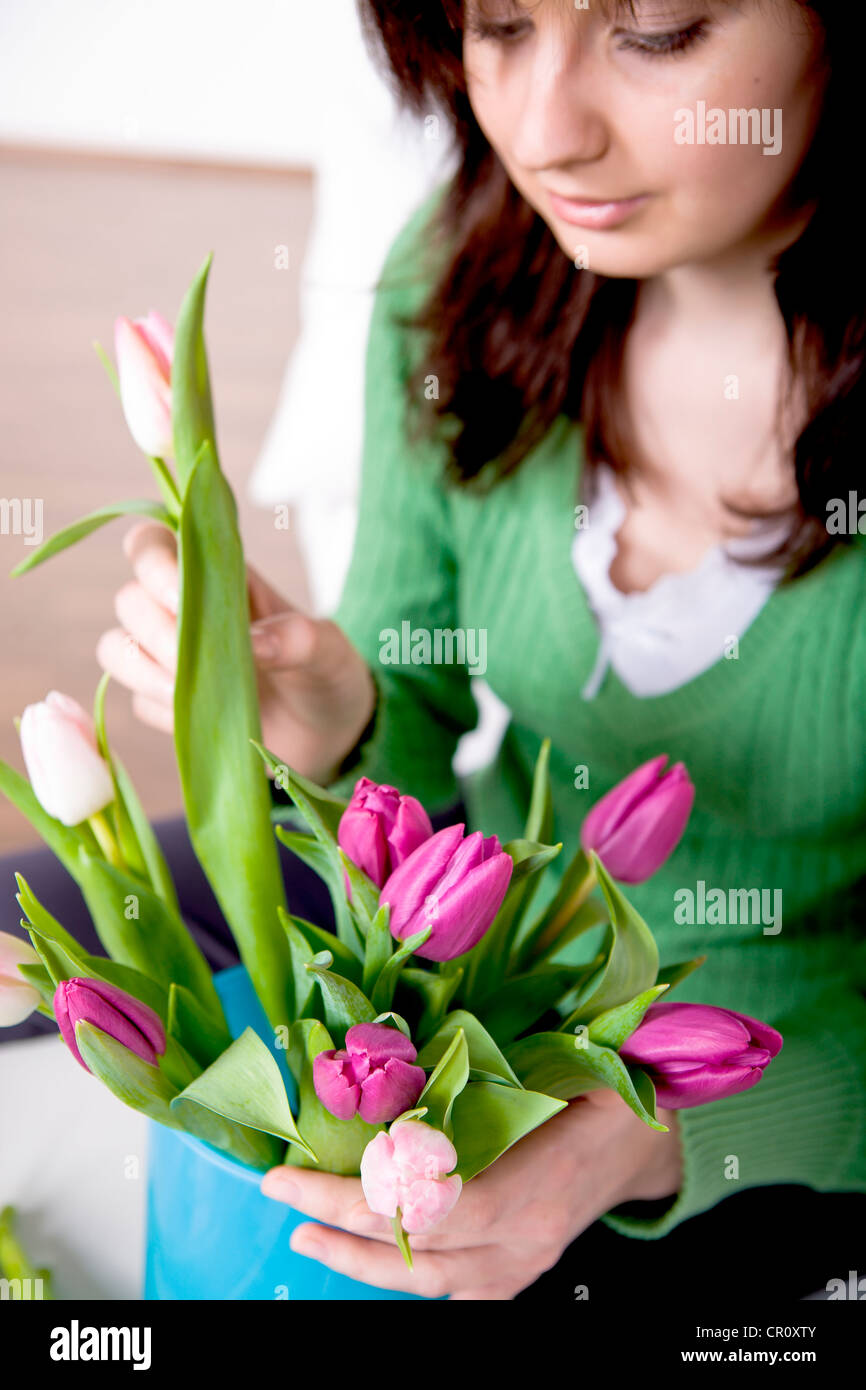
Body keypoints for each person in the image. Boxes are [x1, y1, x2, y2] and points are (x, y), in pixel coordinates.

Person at [4, 0, 866, 1301]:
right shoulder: (461, 273)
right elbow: (404, 738)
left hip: (781, 1086)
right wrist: (335, 720)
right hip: (457, 935)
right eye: (501, 24)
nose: (539, 130)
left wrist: (647, 1134)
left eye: (658, 31)